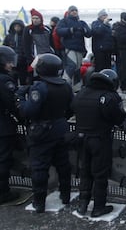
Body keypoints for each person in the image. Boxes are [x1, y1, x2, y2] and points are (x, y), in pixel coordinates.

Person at [16, 53, 73, 213]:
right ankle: (66, 195)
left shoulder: (40, 87)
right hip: (60, 128)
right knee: (63, 165)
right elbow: (70, 108)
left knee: (40, 167)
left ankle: (39, 202)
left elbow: (29, 112)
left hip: (41, 131)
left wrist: (20, 97)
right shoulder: (65, 85)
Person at [72, 69, 126, 217]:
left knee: (85, 171)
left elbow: (72, 109)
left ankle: (82, 204)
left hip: (81, 138)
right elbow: (119, 118)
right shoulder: (109, 97)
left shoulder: (82, 93)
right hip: (99, 139)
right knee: (100, 174)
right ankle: (98, 207)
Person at [0, 46, 21, 204]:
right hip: (3, 125)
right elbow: (12, 104)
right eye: (8, 62)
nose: (11, 65)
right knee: (3, 160)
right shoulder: (5, 80)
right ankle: (3, 192)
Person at [56, 5, 92, 88]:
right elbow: (59, 31)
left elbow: (89, 34)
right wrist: (70, 30)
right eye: (72, 10)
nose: (74, 12)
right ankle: (64, 85)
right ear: (69, 12)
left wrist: (84, 30)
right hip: (69, 48)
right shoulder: (64, 21)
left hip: (80, 48)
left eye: (75, 10)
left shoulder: (82, 23)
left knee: (77, 68)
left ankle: (77, 87)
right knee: (71, 66)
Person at [22, 9, 54, 84]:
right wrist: (29, 58)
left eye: (37, 18)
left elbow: (52, 43)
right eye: (33, 18)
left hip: (48, 55)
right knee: (34, 76)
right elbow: (26, 45)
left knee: (48, 75)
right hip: (35, 57)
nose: (35, 20)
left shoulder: (47, 29)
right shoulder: (28, 30)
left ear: (41, 19)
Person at [3, 19, 26, 85]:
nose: (17, 28)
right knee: (12, 79)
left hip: (22, 61)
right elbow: (5, 47)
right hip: (11, 61)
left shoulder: (25, 36)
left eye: (19, 26)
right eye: (15, 26)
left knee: (23, 79)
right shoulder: (8, 37)